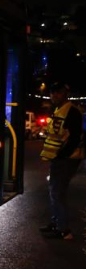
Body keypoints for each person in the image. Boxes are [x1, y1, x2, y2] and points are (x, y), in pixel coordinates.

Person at [39, 82, 84, 240]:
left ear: (65, 94)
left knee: (57, 193)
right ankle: (56, 223)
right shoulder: (59, 110)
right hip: (60, 158)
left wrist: (62, 155)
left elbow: (74, 137)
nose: (54, 96)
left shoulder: (72, 111)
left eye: (58, 93)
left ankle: (64, 230)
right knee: (55, 192)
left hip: (66, 159)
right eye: (52, 93)